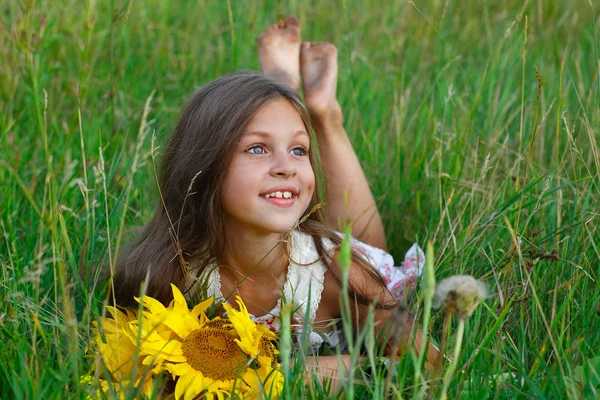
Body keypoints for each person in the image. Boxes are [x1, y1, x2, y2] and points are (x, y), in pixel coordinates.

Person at [114, 16, 436, 391]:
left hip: (345, 259)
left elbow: (426, 362)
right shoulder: (173, 269)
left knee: (368, 245)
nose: (286, 166)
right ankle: (283, 90)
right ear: (204, 167)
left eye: (300, 149)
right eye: (256, 148)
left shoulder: (339, 275)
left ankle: (322, 114)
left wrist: (282, 378)